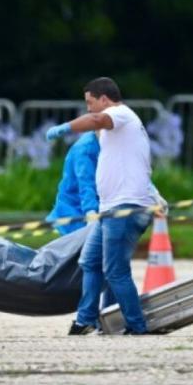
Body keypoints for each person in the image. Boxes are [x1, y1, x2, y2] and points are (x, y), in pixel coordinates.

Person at [46, 77, 155, 335]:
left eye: (90, 102)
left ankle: (137, 327)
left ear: (104, 99)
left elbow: (96, 120)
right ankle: (85, 320)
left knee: (115, 270)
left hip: (124, 208)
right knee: (90, 262)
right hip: (111, 208)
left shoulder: (119, 114)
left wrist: (65, 128)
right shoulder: (117, 129)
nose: (88, 109)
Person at [46, 131, 100, 235]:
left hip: (82, 212)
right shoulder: (85, 148)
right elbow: (85, 183)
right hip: (72, 218)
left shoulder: (100, 144)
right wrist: (91, 212)